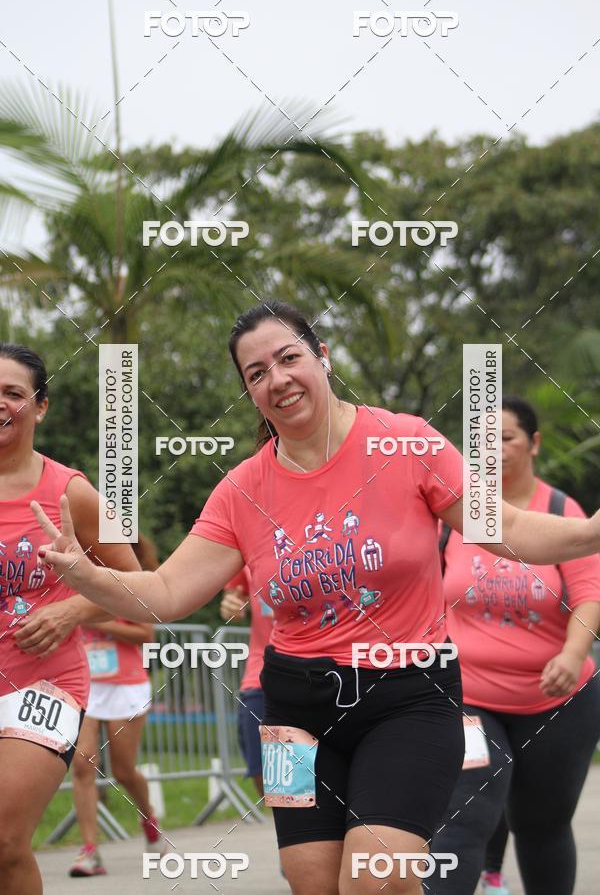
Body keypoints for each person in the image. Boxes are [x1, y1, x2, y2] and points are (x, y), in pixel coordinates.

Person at [29, 302, 600, 895]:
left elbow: (501, 527)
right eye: (255, 373)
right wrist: (85, 575)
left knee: (376, 878)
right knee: (311, 883)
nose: (276, 379)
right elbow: (169, 591)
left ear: (322, 358)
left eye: (288, 358)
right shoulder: (242, 489)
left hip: (409, 698)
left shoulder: (404, 443)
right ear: (250, 393)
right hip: (293, 712)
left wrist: (588, 534)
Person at [429, 395, 600, 895]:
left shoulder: (559, 510)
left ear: (534, 444)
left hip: (558, 703)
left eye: (505, 438)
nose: (494, 451)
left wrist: (573, 654)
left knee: (541, 826)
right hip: (469, 698)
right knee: (464, 815)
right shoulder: (455, 517)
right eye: (483, 441)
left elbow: (590, 594)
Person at [0, 343, 140, 895]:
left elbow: (139, 587)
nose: (0, 403)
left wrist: (73, 607)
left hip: (44, 683)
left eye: (13, 393)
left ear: (40, 407)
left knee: (6, 841)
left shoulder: (71, 492)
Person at [68, 535, 162, 877]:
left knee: (124, 770)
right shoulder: (77, 575)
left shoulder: (130, 580)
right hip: (85, 684)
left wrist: (94, 621)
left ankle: (148, 819)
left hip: (125, 684)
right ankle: (90, 851)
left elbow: (145, 635)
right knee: (83, 763)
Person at [220, 566, 274, 797]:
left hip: (328, 667)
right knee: (263, 769)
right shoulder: (252, 536)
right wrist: (231, 603)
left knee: (314, 774)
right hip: (263, 670)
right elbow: (234, 593)